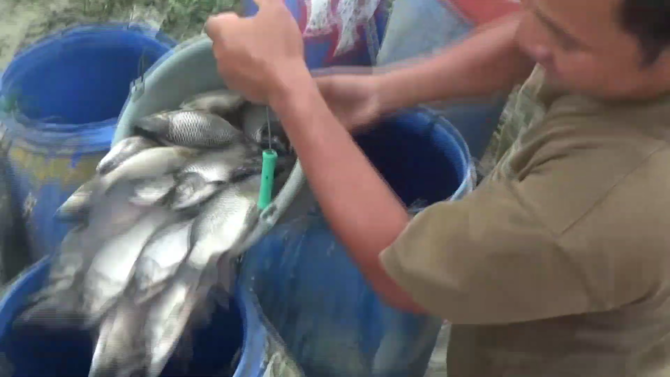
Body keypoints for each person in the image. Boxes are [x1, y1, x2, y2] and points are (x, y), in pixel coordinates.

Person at [205, 0, 670, 375]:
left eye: (565, 41)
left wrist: (290, 88)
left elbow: (400, 266)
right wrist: (382, 90)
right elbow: (533, 35)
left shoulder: (607, 202)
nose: (530, 36)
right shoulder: (607, 36)